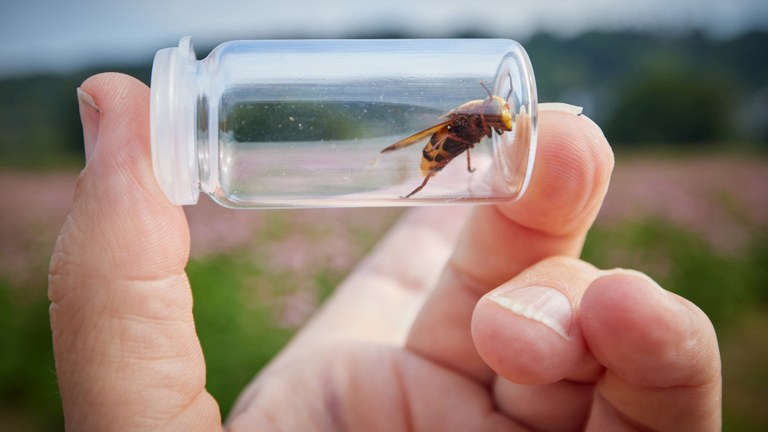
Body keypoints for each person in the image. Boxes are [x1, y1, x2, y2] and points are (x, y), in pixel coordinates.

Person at [49, 73, 722, 431]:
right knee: (445, 157)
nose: (497, 126)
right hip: (433, 165)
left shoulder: (487, 124)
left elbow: (490, 136)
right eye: (494, 122)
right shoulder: (462, 129)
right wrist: (433, 161)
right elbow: (449, 139)